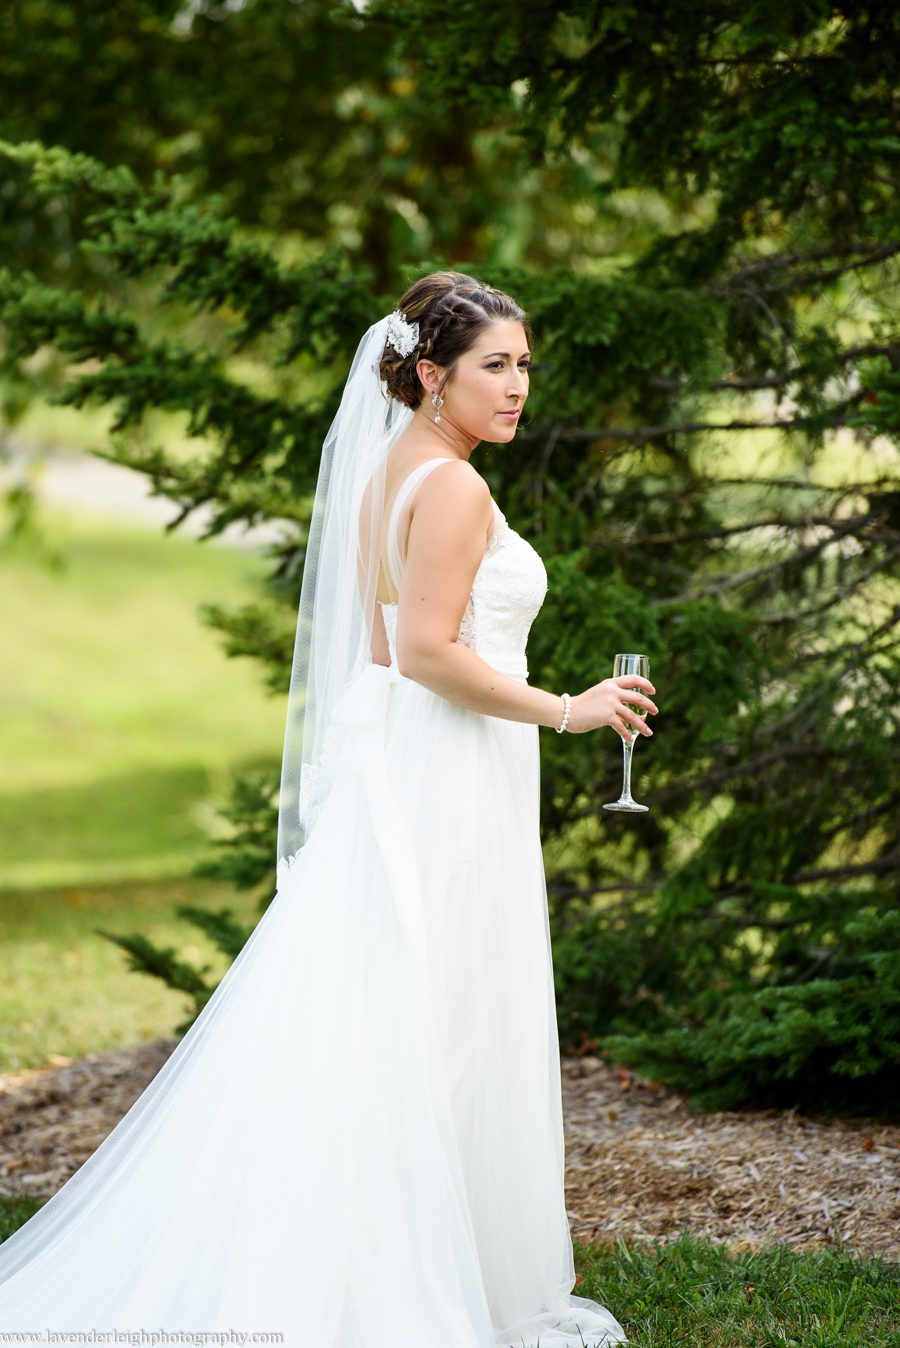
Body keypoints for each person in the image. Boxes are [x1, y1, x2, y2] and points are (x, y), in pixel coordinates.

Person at [0, 271, 657, 1347]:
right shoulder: (452, 488)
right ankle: (402, 1285)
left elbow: (376, 652)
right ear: (433, 375)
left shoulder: (392, 472)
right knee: (441, 1022)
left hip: (417, 764)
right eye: (496, 365)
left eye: (526, 364)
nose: (519, 385)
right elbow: (428, 652)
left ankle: (376, 1253)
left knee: (395, 1020)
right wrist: (568, 710)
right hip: (451, 774)